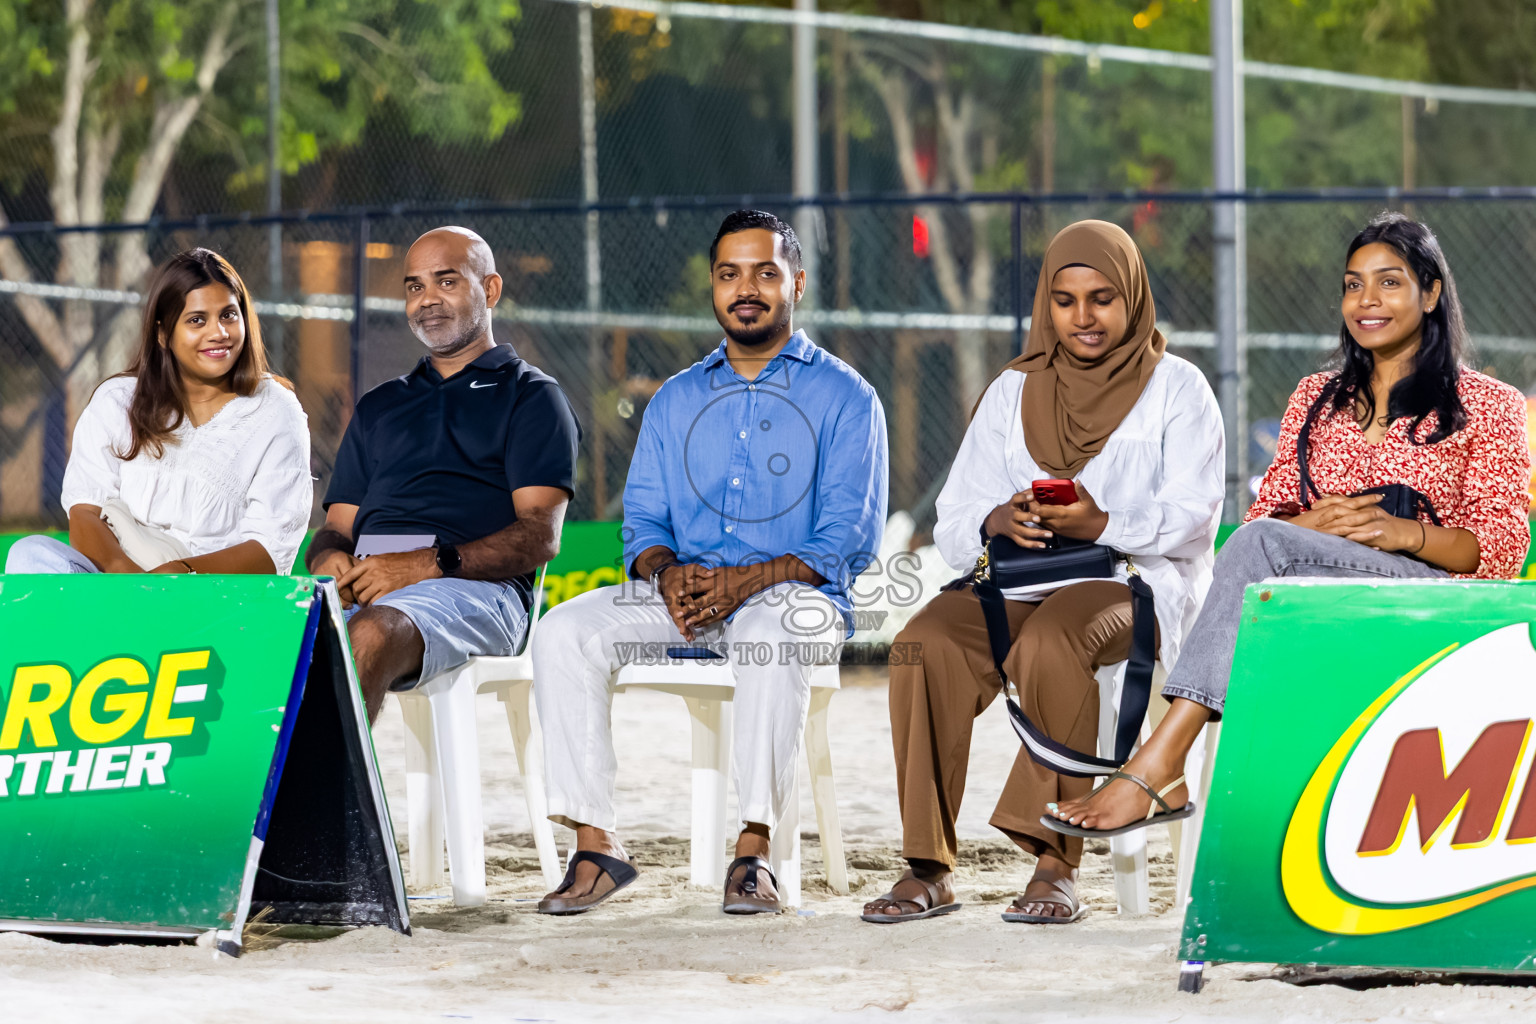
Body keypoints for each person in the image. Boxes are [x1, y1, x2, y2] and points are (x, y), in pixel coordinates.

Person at [1043, 211, 1532, 839]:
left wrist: (1402, 532)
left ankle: (1160, 763)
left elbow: (1500, 550)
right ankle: (1165, 767)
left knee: (1262, 545)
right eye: (1353, 285)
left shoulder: (1487, 403)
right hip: (1319, 597)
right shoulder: (1315, 397)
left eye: (1389, 283)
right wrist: (1314, 525)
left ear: (1430, 293)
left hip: (1428, 600)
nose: (1366, 301)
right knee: (1261, 542)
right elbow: (1266, 519)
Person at [862, 220, 1225, 925]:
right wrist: (999, 521)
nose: (1082, 318)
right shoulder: (1013, 390)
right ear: (1045, 305)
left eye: (1101, 298)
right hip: (1022, 579)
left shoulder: (1179, 389)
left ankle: (1055, 862)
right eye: (1064, 300)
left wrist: (1101, 524)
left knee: (1056, 637)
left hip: (1135, 582)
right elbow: (954, 513)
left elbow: (1194, 515)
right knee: (925, 642)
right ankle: (928, 865)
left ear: (1133, 300)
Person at [532, 210, 888, 916]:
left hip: (793, 599)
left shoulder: (846, 396)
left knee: (766, 634)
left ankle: (753, 852)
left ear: (797, 282)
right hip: (686, 600)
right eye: (730, 274)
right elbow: (644, 526)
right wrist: (667, 575)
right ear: (715, 286)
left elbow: (846, 539)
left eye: (764, 272)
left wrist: (742, 582)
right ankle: (597, 846)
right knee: (563, 632)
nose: (745, 288)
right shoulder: (677, 399)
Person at [305, 226, 580, 722]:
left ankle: (323, 801)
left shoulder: (532, 396)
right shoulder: (379, 405)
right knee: (265, 638)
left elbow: (540, 536)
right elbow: (335, 532)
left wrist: (421, 565)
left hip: (479, 591)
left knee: (370, 631)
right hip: (369, 588)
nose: (426, 299)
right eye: (414, 286)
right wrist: (331, 565)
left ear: (490, 290)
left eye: (446, 282)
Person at [4, 248, 311, 577]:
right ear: (163, 333)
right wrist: (133, 582)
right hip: (120, 588)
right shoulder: (118, 401)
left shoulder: (276, 410)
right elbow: (85, 512)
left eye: (228, 315)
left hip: (214, 598)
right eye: (197, 320)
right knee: (30, 554)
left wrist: (177, 576)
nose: (219, 333)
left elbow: (269, 549)